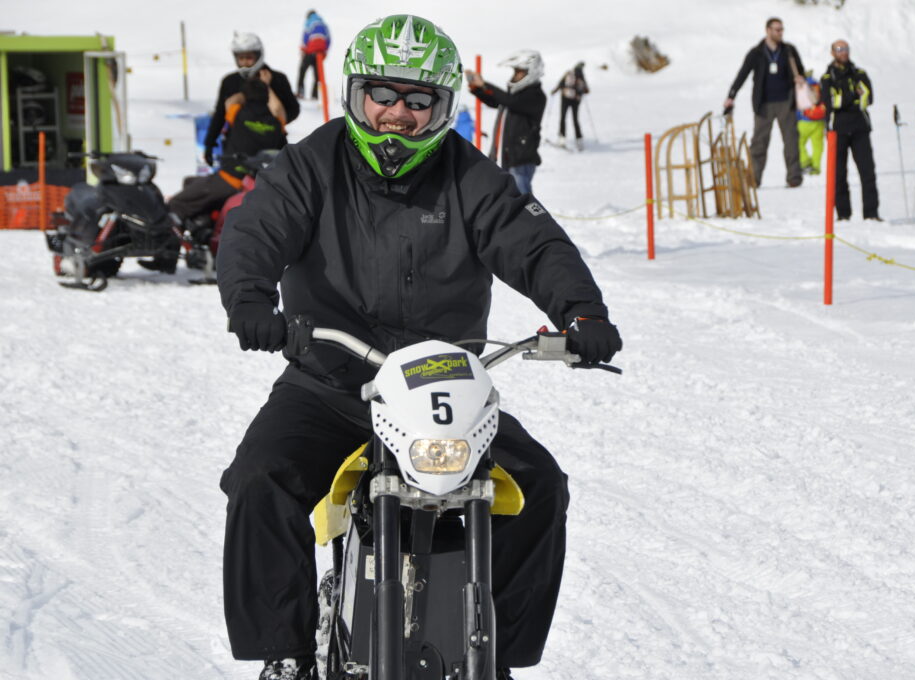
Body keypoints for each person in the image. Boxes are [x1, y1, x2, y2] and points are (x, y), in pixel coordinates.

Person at [215, 14, 622, 680]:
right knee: (261, 479)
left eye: (417, 100)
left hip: (443, 389)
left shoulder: (470, 176)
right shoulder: (312, 163)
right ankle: (284, 652)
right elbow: (255, 231)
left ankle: (500, 657)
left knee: (541, 487)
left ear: (441, 107)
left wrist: (581, 312)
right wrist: (253, 303)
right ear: (355, 96)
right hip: (329, 382)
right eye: (382, 95)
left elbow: (534, 243)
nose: (396, 114)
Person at [165, 78, 286, 245]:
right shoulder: (275, 122)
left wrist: (242, 95)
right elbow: (279, 110)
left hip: (229, 179)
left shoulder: (238, 113)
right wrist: (267, 86)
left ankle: (168, 254)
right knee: (190, 182)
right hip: (254, 183)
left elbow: (230, 101)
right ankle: (203, 228)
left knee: (177, 203)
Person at [723, 17, 806, 188]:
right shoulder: (757, 53)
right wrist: (731, 95)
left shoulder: (789, 50)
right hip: (764, 104)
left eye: (781, 29)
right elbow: (742, 74)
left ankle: (794, 178)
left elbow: (801, 71)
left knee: (791, 141)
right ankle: (754, 178)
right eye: (777, 29)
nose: (780, 33)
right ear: (767, 30)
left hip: (786, 102)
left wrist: (800, 79)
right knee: (759, 143)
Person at [203, 32, 299, 168]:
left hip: (272, 147)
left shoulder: (278, 79)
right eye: (241, 58)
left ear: (259, 56)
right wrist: (209, 144)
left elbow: (293, 110)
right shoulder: (230, 82)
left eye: (249, 58)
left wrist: (272, 124)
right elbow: (220, 115)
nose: (245, 63)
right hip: (238, 149)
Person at [464, 50, 546, 195]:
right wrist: (478, 88)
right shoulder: (516, 95)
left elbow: (509, 101)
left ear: (531, 72)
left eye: (520, 72)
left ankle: (527, 219)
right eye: (515, 72)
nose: (515, 76)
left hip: (520, 160)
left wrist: (485, 84)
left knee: (521, 202)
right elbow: (497, 102)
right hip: (506, 156)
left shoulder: (536, 96)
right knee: (506, 199)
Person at [820, 39, 880, 221]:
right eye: (839, 49)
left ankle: (871, 214)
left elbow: (867, 99)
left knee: (867, 172)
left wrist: (844, 98)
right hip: (837, 128)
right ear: (832, 53)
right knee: (839, 174)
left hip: (860, 127)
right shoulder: (827, 78)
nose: (843, 52)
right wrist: (853, 95)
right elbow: (830, 102)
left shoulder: (859, 73)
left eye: (845, 48)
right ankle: (843, 215)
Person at [550, 62, 589, 150]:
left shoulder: (568, 73)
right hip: (575, 101)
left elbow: (560, 84)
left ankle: (562, 138)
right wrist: (580, 93)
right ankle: (579, 140)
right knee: (575, 119)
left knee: (563, 117)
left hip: (565, 98)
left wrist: (554, 91)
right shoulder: (581, 76)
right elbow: (587, 90)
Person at [296, 10, 330, 100]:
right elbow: (328, 39)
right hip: (319, 53)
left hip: (310, 51)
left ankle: (300, 92)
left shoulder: (309, 22)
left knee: (302, 71)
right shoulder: (323, 24)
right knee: (317, 75)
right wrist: (325, 51)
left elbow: (305, 37)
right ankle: (315, 95)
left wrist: (303, 49)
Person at [797, 70, 826, 175]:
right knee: (817, 145)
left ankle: (805, 162)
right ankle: (816, 167)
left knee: (798, 142)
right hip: (820, 121)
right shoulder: (818, 84)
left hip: (804, 121)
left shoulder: (801, 86)